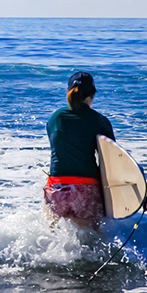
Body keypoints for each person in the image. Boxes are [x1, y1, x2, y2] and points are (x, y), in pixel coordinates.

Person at [43, 71, 115, 229]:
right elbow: (112, 159)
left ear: (68, 93)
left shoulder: (55, 118)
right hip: (85, 189)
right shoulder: (99, 121)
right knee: (92, 241)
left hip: (56, 188)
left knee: (53, 237)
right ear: (93, 94)